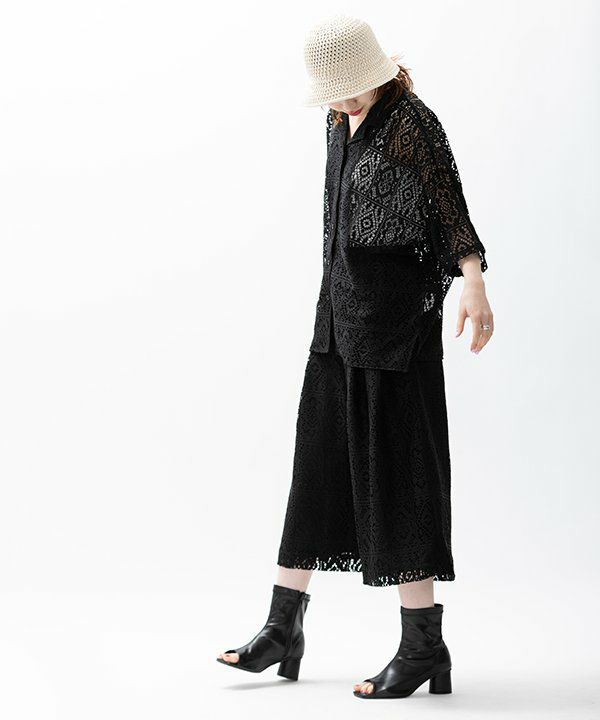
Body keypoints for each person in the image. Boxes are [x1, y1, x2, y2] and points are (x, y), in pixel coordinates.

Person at [217, 14, 494, 699]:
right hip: (337, 323)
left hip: (396, 332)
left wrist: (474, 282)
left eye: (349, 87)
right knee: (315, 470)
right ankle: (282, 627)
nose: (340, 100)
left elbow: (449, 209)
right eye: (333, 91)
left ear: (375, 71)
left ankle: (423, 644)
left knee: (400, 479)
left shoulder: (413, 124)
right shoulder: (337, 123)